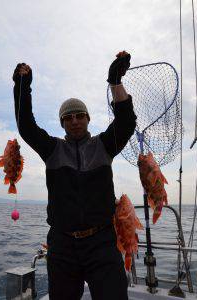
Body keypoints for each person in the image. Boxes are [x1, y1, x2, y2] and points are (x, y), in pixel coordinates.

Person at [12, 51, 136, 300]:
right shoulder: (52, 149)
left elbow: (126, 122)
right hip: (62, 245)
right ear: (62, 123)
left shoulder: (104, 145)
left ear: (88, 119)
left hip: (102, 242)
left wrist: (115, 82)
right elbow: (26, 125)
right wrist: (22, 87)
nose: (75, 121)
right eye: (68, 118)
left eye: (80, 116)